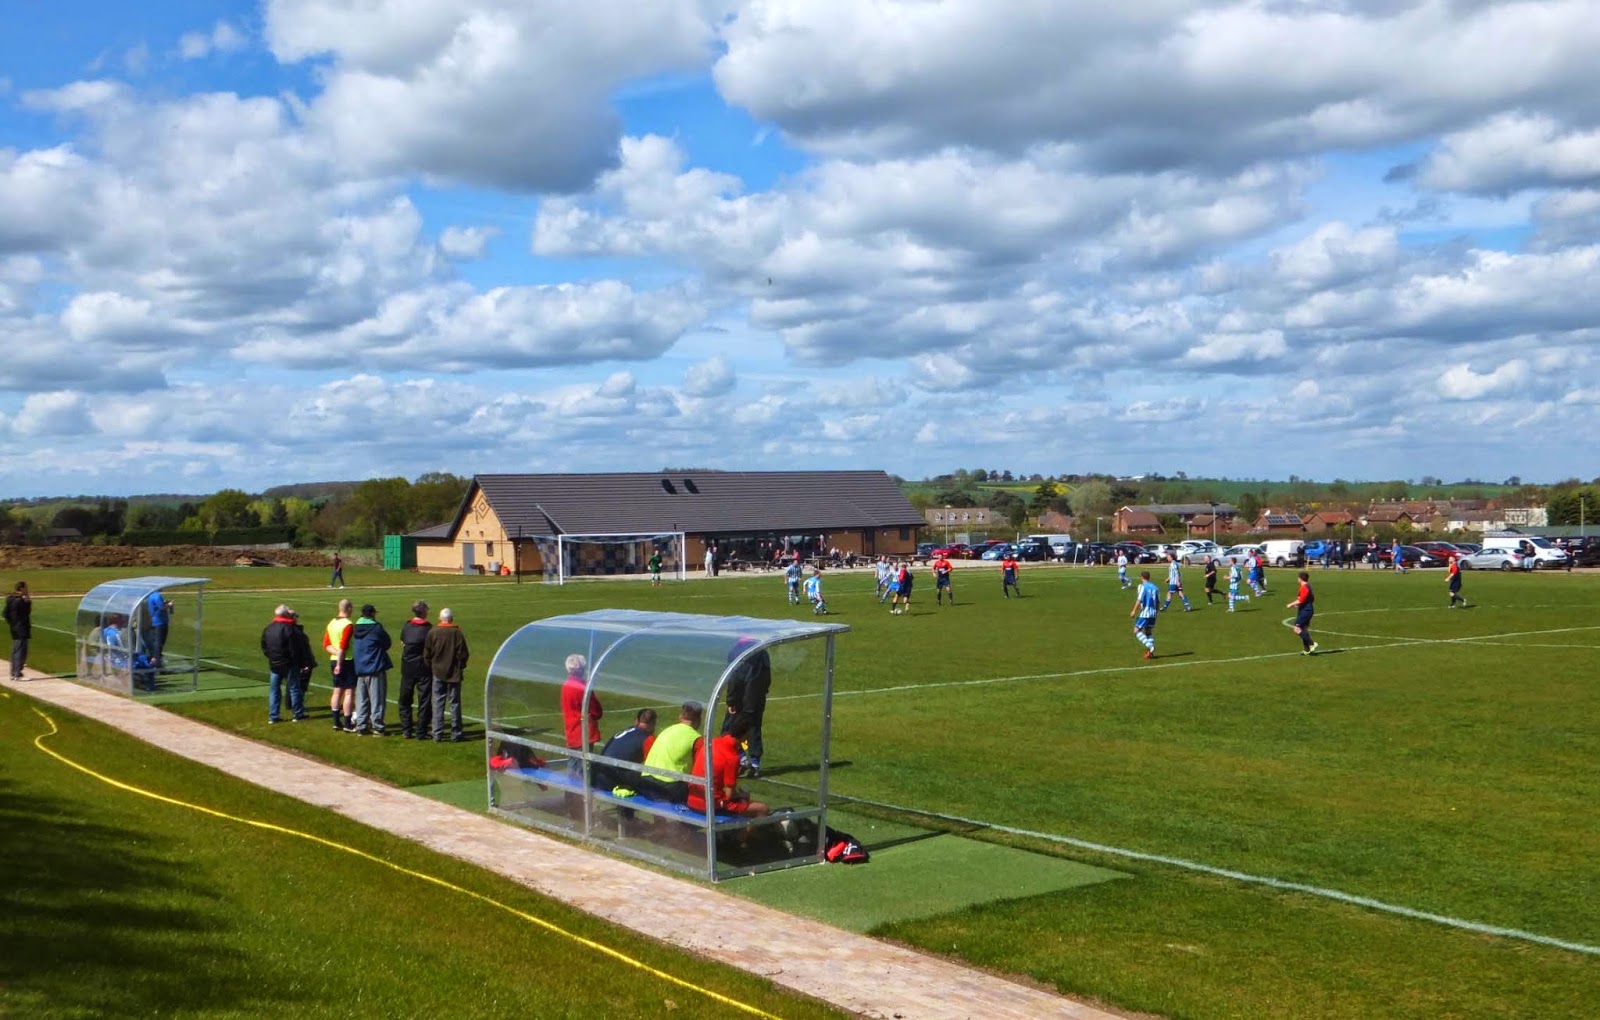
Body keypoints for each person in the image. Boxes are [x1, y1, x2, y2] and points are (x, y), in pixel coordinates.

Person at [688, 713, 769, 821]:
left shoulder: (712, 742)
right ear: (745, 734)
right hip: (710, 804)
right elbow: (729, 795)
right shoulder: (732, 757)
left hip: (693, 798)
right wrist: (741, 795)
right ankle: (741, 837)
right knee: (762, 809)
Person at [722, 638, 771, 777]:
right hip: (757, 699)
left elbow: (733, 678)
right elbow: (767, 674)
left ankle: (742, 758)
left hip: (740, 700)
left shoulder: (736, 651)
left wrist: (731, 701)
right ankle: (755, 762)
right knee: (753, 730)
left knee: (730, 730)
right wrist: (763, 691)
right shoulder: (762, 651)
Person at [638, 701, 704, 802]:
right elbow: (699, 770)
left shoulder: (667, 730)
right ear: (699, 720)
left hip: (646, 779)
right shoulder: (697, 739)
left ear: (680, 717)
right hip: (670, 785)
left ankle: (659, 818)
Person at [423, 607, 470, 742]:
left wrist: (431, 667)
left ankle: (437, 733)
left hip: (437, 671)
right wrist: (460, 666)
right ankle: (456, 733)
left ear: (440, 618)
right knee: (454, 703)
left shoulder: (433, 632)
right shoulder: (456, 633)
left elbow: (427, 653)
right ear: (451, 619)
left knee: (438, 702)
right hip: (454, 673)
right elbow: (463, 653)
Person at [261, 603, 309, 723]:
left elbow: (264, 646)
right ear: (286, 614)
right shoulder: (289, 629)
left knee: (274, 690)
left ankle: (273, 716)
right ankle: (297, 713)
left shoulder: (268, 628)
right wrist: (300, 663)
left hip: (274, 663)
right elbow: (294, 649)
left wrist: (271, 657)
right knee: (294, 688)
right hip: (289, 663)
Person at [349, 603, 393, 736]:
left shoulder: (356, 628)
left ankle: (361, 725)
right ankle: (378, 726)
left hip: (360, 667)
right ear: (372, 614)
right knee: (377, 698)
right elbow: (387, 643)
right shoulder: (376, 628)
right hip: (374, 666)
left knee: (361, 698)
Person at [595, 708, 659, 793]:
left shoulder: (628, 730)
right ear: (654, 723)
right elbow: (652, 763)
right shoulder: (648, 738)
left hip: (599, 771)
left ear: (637, 720)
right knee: (651, 780)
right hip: (611, 776)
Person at [398, 601, 433, 739]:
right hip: (423, 667)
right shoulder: (428, 628)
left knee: (405, 699)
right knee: (424, 700)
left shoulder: (407, 626)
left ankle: (406, 729)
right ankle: (421, 731)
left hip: (408, 667)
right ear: (424, 612)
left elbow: (403, 642)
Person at [323, 599, 357, 731]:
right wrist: (340, 661)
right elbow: (344, 646)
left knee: (337, 691)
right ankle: (347, 723)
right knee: (349, 692)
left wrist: (336, 655)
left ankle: (336, 722)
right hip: (347, 661)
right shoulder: (348, 624)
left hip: (334, 658)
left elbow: (326, 644)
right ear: (348, 608)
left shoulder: (331, 623)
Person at [560, 652, 602, 751]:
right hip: (583, 732)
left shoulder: (566, 685)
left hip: (571, 730)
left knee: (573, 762)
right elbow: (596, 711)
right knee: (583, 764)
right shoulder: (582, 688)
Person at [288, 610, 316, 708]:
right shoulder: (296, 632)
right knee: (298, 684)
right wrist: (307, 662)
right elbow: (303, 649)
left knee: (292, 683)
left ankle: (291, 704)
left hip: (289, 661)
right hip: (298, 662)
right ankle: (297, 706)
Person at [4, 581, 30, 682]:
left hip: (14, 628)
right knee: (20, 651)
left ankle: (14, 673)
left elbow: (5, 613)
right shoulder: (21, 601)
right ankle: (17, 674)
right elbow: (27, 612)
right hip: (22, 628)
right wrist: (27, 600)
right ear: (22, 589)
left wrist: (12, 623)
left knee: (15, 650)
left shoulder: (10, 599)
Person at [1287, 571, 1319, 655]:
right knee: (1304, 629)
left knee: (1296, 629)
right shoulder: (1308, 587)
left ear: (1300, 578)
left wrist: (1291, 604)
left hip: (1306, 611)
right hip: (1305, 609)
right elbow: (1310, 599)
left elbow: (1301, 600)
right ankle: (1306, 649)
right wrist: (1298, 605)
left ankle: (1312, 644)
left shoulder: (1304, 588)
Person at [1131, 570, 1159, 659]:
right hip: (1153, 613)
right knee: (1148, 631)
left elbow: (1139, 600)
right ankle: (1149, 652)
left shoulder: (1142, 587)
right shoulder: (1155, 587)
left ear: (1141, 578)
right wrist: (1156, 612)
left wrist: (1134, 610)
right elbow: (1158, 601)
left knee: (1136, 630)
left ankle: (1150, 646)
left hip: (1145, 613)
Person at [145, 592, 172, 667]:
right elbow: (161, 607)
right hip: (160, 621)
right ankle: (156, 660)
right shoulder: (157, 596)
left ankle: (155, 658)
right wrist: (169, 605)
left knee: (157, 642)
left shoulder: (151, 596)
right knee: (159, 642)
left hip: (155, 621)